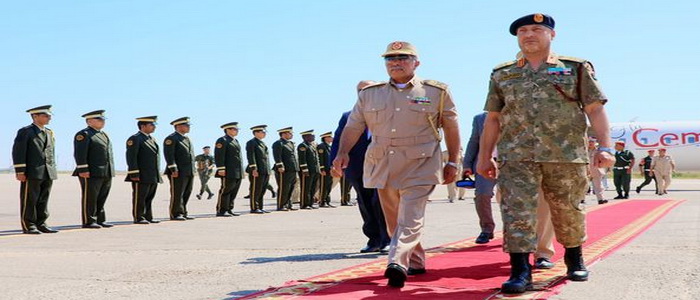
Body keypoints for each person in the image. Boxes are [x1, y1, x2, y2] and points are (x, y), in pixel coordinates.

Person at [476, 14, 615, 294]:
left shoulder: (575, 68)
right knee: (516, 213)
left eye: (537, 29)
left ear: (552, 34)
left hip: (564, 155)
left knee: (568, 210)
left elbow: (595, 109)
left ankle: (574, 258)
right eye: (523, 31)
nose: (529, 34)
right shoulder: (503, 73)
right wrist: (484, 156)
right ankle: (520, 271)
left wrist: (606, 146)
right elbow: (493, 118)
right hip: (516, 158)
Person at [333, 41, 461, 288]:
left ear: (416, 63)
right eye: (390, 59)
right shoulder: (371, 93)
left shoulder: (436, 91)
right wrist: (342, 153)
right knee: (394, 219)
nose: (396, 62)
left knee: (411, 215)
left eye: (403, 58)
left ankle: (397, 262)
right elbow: (354, 126)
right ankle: (415, 260)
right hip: (383, 161)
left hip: (421, 161)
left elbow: (452, 127)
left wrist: (454, 161)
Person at [330, 80, 390, 254]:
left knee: (380, 202)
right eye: (360, 90)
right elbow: (338, 140)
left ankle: (387, 238)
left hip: (382, 166)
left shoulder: (387, 113)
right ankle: (374, 240)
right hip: (357, 167)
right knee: (365, 203)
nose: (363, 93)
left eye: (367, 90)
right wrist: (334, 162)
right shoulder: (347, 116)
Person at [12, 105, 59, 234]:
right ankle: (29, 224)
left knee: (43, 199)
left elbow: (50, 153)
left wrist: (52, 169)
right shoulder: (25, 132)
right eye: (45, 115)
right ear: (35, 116)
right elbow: (19, 151)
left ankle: (41, 223)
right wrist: (20, 171)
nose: (49, 117)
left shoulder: (49, 132)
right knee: (30, 199)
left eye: (49, 115)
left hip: (47, 171)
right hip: (32, 171)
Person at [72, 110, 115, 229]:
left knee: (102, 196)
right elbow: (80, 153)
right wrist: (83, 169)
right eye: (99, 119)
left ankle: (100, 219)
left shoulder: (103, 134)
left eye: (103, 119)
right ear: (89, 121)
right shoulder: (84, 134)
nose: (103, 121)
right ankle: (89, 220)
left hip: (105, 171)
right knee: (90, 197)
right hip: (91, 172)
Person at [463, 112, 497, 244]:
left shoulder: (515, 112)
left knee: (511, 199)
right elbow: (474, 141)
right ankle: (486, 229)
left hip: (510, 163)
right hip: (485, 163)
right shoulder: (479, 119)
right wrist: (467, 164)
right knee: (482, 195)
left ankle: (513, 231)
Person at [125, 116, 162, 224]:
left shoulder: (151, 139)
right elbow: (131, 157)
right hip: (141, 174)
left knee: (149, 196)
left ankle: (148, 216)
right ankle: (139, 217)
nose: (154, 127)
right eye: (151, 125)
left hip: (152, 174)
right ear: (143, 126)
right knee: (140, 197)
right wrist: (133, 173)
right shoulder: (135, 138)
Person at [163, 117, 197, 221]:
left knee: (187, 191)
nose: (188, 127)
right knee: (178, 193)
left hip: (188, 170)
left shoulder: (186, 139)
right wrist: (173, 169)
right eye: (186, 125)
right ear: (178, 126)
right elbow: (169, 155)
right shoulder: (172, 138)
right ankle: (175, 213)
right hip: (178, 171)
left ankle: (183, 212)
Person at [214, 122, 244, 217]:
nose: (237, 131)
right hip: (228, 170)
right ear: (228, 130)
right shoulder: (222, 140)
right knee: (226, 190)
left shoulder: (235, 141)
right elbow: (219, 155)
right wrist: (221, 168)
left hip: (237, 171)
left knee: (234, 191)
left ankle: (229, 208)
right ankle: (222, 210)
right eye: (235, 129)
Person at [272, 127, 300, 211]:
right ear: (283, 134)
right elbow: (277, 156)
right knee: (284, 187)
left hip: (292, 169)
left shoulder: (290, 143)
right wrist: (280, 166)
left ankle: (288, 204)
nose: (291, 135)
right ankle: (281, 205)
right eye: (290, 133)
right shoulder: (278, 143)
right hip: (284, 170)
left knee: (291, 187)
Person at [246, 125, 271, 214]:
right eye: (262, 132)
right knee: (255, 189)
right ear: (256, 132)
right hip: (257, 170)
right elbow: (251, 156)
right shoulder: (252, 142)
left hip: (264, 170)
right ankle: (254, 207)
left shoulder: (262, 143)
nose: (264, 133)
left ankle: (260, 206)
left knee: (262, 189)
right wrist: (254, 168)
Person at [298, 130, 321, 210]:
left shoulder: (311, 146)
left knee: (312, 187)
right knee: (306, 188)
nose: (313, 136)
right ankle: (304, 204)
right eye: (311, 135)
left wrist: (318, 169)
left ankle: (310, 203)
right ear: (305, 137)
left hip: (314, 170)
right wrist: (304, 170)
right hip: (307, 171)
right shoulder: (303, 146)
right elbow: (302, 159)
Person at [317, 131, 335, 208]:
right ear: (326, 138)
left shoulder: (329, 147)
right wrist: (322, 169)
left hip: (330, 170)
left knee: (328, 186)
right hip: (325, 170)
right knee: (323, 186)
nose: (332, 138)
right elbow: (320, 159)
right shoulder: (321, 146)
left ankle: (327, 201)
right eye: (330, 137)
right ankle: (322, 201)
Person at [587, 138, 608, 204]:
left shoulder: (599, 151)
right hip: (586, 170)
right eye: (589, 142)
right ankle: (581, 199)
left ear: (595, 143)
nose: (590, 143)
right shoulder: (584, 150)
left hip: (596, 170)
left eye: (592, 142)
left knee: (598, 185)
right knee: (583, 186)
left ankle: (600, 199)